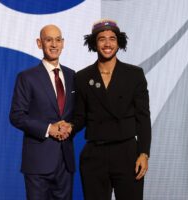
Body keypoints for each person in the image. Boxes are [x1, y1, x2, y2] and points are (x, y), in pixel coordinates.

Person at [68, 19, 152, 200]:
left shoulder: (134, 74)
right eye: (102, 39)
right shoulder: (82, 77)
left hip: (128, 154)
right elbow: (80, 116)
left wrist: (144, 153)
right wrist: (68, 128)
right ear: (94, 43)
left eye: (112, 38)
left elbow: (143, 118)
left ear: (119, 42)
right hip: (94, 156)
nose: (107, 44)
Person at [9, 24, 75, 200]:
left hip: (65, 163)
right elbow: (16, 116)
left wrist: (71, 125)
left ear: (63, 43)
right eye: (48, 40)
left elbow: (77, 113)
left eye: (58, 39)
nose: (54, 44)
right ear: (39, 43)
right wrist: (49, 129)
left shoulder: (72, 76)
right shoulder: (27, 77)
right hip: (38, 163)